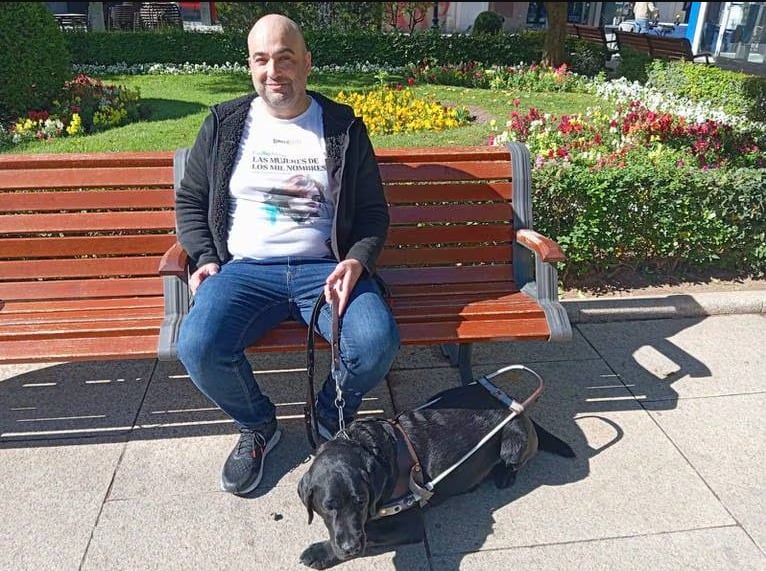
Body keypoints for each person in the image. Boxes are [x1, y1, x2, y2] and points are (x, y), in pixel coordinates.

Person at [174, 13, 401, 496]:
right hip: (244, 271)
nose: (273, 70)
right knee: (197, 344)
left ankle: (327, 412)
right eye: (261, 59)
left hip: (324, 268)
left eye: (285, 58)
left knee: (375, 340)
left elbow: (374, 213)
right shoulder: (224, 123)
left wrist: (356, 261)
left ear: (306, 64)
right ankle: (258, 426)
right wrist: (204, 257)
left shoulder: (342, 127)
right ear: (250, 65)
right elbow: (191, 200)